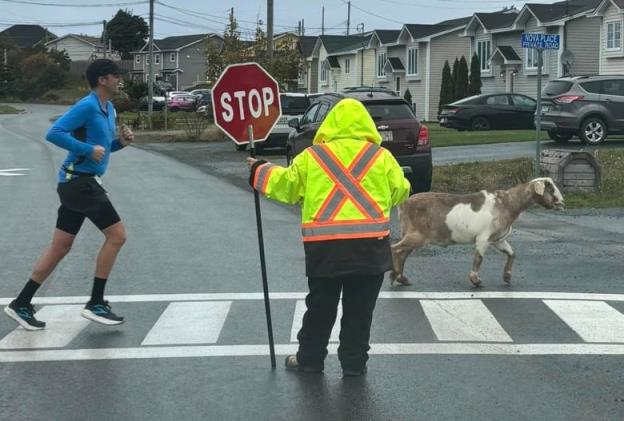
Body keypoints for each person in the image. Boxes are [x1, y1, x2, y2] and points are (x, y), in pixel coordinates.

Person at [247, 98, 411, 376]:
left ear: (329, 125)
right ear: (367, 126)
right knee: (359, 312)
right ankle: (354, 364)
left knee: (320, 308)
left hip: (325, 250)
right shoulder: (380, 157)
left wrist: (258, 170)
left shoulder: (313, 157)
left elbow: (286, 187)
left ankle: (310, 360)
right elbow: (400, 191)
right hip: (370, 251)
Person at [4, 59, 133, 330]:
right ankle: (96, 303)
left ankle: (21, 303)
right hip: (78, 182)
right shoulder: (86, 106)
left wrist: (119, 143)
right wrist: (87, 150)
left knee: (61, 246)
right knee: (117, 235)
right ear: (102, 79)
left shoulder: (108, 108)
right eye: (115, 76)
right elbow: (55, 133)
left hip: (81, 182)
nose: (120, 80)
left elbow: (101, 148)